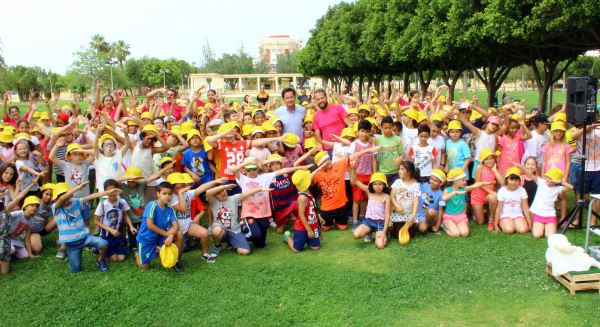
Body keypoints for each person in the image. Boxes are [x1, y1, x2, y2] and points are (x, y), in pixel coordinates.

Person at [52, 182, 120, 272]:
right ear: (56, 198)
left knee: (103, 243)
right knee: (75, 270)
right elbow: (62, 198)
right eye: (62, 195)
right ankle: (74, 257)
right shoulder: (55, 208)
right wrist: (78, 188)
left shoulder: (75, 202)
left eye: (66, 194)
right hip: (72, 245)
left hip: (85, 238)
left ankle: (100, 259)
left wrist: (108, 192)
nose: (65, 198)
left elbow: (92, 196)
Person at [206, 184, 271, 256]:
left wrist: (260, 189)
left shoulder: (233, 198)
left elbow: (246, 193)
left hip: (235, 231)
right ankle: (217, 246)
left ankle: (231, 242)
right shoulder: (214, 202)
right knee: (216, 231)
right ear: (215, 196)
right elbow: (208, 192)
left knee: (245, 251)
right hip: (221, 231)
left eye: (223, 190)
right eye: (218, 193)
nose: (223, 193)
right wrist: (224, 186)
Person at [135, 181, 185, 272]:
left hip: (160, 237)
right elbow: (150, 225)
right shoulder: (152, 205)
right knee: (144, 267)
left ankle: (176, 261)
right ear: (158, 194)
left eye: (169, 194)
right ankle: (137, 253)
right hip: (147, 238)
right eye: (164, 193)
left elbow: (176, 226)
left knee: (179, 234)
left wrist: (170, 236)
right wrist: (166, 233)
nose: (167, 196)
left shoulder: (170, 209)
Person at [520, 166, 573, 238]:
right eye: (547, 177)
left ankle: (547, 226)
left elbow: (571, 187)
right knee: (537, 235)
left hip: (550, 216)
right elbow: (530, 175)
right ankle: (541, 226)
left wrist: (559, 182)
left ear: (555, 180)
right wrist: (520, 166)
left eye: (550, 178)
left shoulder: (558, 188)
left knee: (550, 236)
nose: (547, 179)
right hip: (538, 215)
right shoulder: (541, 182)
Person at [442, 168, 492, 238]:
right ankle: (444, 226)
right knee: (456, 234)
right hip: (449, 216)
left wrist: (483, 183)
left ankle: (455, 226)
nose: (465, 182)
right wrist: (455, 192)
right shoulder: (447, 190)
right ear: (455, 181)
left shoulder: (464, 189)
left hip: (460, 216)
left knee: (465, 234)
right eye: (463, 180)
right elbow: (444, 198)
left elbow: (474, 186)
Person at [93, 179, 135, 262]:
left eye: (114, 191)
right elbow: (96, 221)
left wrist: (131, 226)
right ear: (105, 192)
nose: (112, 193)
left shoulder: (122, 202)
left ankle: (119, 245)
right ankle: (98, 247)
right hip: (107, 234)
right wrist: (110, 229)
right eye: (109, 191)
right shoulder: (102, 205)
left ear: (118, 190)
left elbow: (126, 215)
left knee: (121, 258)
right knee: (114, 259)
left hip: (119, 233)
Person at [350, 167, 391, 249]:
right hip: (368, 221)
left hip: (380, 224)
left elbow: (387, 215)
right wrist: (354, 169)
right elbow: (356, 181)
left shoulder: (386, 197)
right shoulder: (369, 192)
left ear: (384, 185)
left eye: (380, 184)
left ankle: (382, 233)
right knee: (356, 234)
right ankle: (369, 231)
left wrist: (384, 231)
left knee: (380, 245)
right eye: (375, 184)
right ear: (372, 185)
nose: (377, 186)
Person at [282, 169, 321, 252]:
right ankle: (287, 238)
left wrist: (319, 217)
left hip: (313, 225)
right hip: (303, 228)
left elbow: (312, 208)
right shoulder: (302, 198)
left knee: (316, 247)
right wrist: (309, 230)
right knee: (296, 250)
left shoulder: (308, 192)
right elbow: (301, 215)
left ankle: (307, 239)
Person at [312, 89, 351, 154]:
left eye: (322, 98)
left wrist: (346, 139)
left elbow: (350, 124)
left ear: (326, 97)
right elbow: (317, 134)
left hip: (342, 146)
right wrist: (321, 147)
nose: (320, 101)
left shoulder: (338, 108)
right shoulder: (316, 116)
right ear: (315, 101)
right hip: (328, 149)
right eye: (318, 99)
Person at [471, 148, 503, 229]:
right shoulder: (479, 167)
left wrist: (495, 170)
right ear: (483, 161)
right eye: (486, 159)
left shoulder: (495, 168)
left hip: (487, 196)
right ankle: (482, 211)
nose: (490, 161)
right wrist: (491, 191)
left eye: (491, 158)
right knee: (480, 222)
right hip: (477, 196)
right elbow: (478, 184)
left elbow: (503, 183)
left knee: (493, 198)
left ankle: (491, 220)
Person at [495, 167, 531, 234]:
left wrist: (529, 223)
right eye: (511, 179)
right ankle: (507, 223)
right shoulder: (502, 191)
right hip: (505, 215)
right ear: (507, 180)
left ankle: (516, 224)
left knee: (523, 230)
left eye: (516, 180)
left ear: (519, 181)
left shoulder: (522, 190)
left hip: (518, 214)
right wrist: (495, 224)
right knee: (509, 230)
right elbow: (499, 208)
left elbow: (525, 208)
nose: (514, 182)